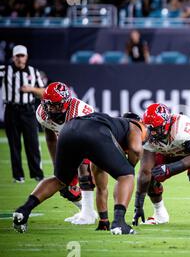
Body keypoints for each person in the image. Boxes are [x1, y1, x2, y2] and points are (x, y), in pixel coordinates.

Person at [13, 112, 149, 235]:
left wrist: (104, 220)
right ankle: (119, 223)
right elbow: (136, 150)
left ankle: (24, 210)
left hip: (68, 130)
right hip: (95, 132)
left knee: (60, 180)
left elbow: (100, 179)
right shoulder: (135, 125)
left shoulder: (111, 128)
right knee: (126, 175)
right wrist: (129, 168)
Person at [133, 103, 190, 229]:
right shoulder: (149, 135)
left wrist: (169, 169)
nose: (151, 133)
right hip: (177, 149)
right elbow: (144, 172)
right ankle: (160, 214)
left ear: (166, 124)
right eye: (149, 129)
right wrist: (138, 205)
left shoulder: (180, 128)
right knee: (151, 174)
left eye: (155, 129)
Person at [36, 82, 105, 227]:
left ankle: (88, 213)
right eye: (51, 105)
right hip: (67, 144)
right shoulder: (42, 113)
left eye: (58, 105)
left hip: (90, 142)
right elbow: (50, 138)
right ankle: (87, 211)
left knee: (84, 171)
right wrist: (57, 164)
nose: (54, 109)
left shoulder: (80, 112)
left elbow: (88, 143)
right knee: (66, 187)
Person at [0, 45, 45, 183]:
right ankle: (18, 176)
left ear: (26, 57)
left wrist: (31, 89)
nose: (20, 58)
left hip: (28, 110)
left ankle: (37, 174)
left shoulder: (33, 72)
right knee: (14, 145)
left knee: (32, 143)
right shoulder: (4, 70)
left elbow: (43, 92)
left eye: (22, 55)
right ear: (13, 57)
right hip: (11, 110)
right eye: (17, 56)